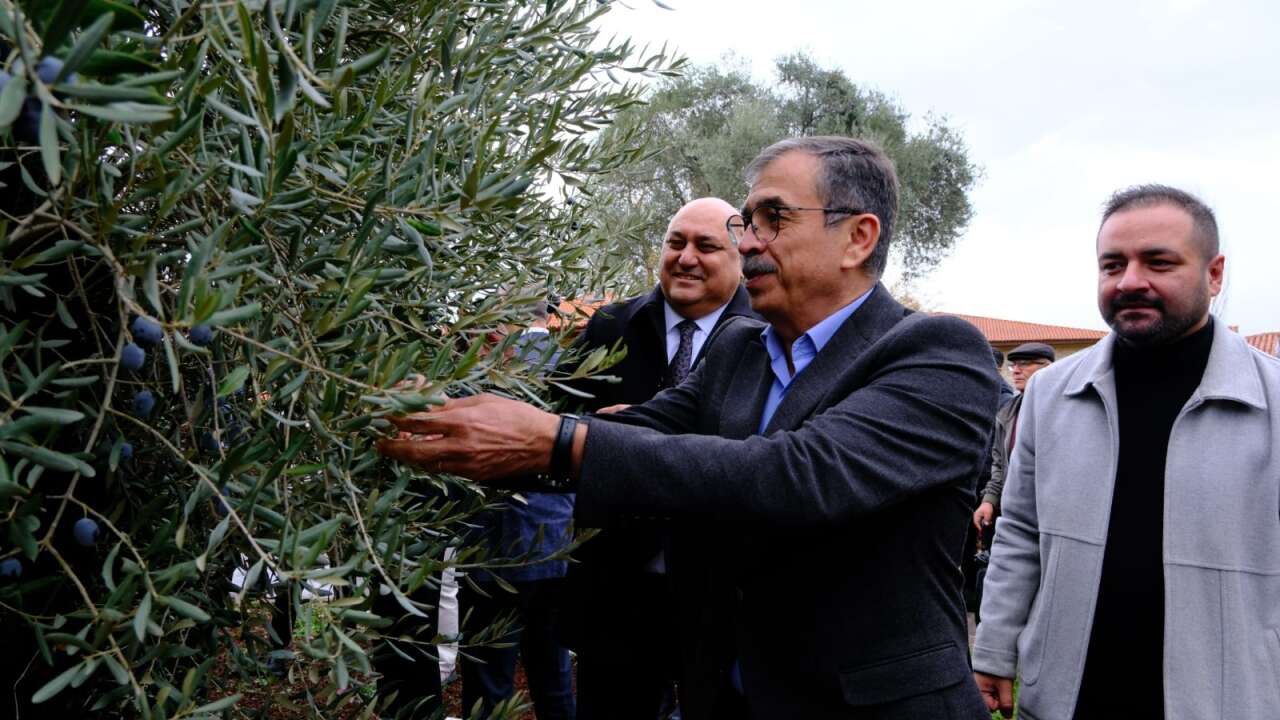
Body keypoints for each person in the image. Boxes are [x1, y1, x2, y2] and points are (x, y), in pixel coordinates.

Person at [378, 136, 998, 719]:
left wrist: (559, 440)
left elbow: (801, 474)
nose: (749, 241)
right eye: (745, 223)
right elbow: (640, 434)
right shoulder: (740, 349)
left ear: (858, 237)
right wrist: (449, 415)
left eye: (772, 219)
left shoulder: (938, 354)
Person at [972, 185, 1280, 719]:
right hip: (1070, 695)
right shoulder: (1051, 395)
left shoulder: (1271, 402)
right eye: (1112, 264)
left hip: (1224, 698)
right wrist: (995, 646)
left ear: (1214, 273)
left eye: (1159, 262)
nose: (1130, 280)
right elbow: (1020, 530)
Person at [558, 197, 757, 720]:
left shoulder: (765, 334)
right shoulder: (609, 326)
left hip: (722, 587)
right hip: (616, 582)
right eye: (676, 242)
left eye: (707, 246)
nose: (686, 257)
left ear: (740, 257)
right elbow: (554, 423)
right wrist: (596, 433)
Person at [460, 301, 576, 720]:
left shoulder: (482, 369)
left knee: (489, 680)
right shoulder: (569, 365)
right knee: (553, 673)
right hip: (554, 543)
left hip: (493, 550)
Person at [971, 342, 1055, 535]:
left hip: (1050, 515)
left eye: (1025, 364)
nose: (1016, 371)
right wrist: (989, 501)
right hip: (1013, 514)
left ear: (1048, 367)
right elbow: (999, 464)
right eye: (1014, 365)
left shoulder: (1064, 408)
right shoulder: (1007, 412)